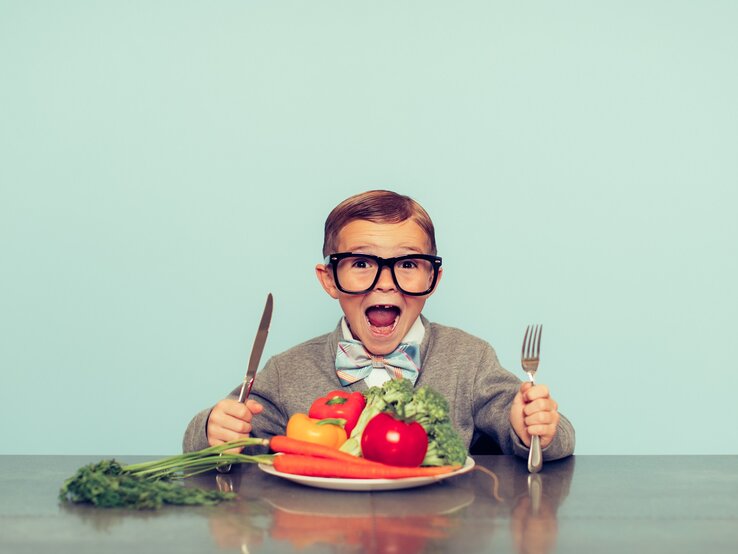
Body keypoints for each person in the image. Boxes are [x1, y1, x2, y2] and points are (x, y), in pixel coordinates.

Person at [183, 190, 575, 461]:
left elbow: (552, 438)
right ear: (329, 279)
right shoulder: (288, 371)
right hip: (323, 532)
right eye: (361, 264)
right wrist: (213, 431)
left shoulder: (468, 359)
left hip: (437, 532)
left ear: (433, 279)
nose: (385, 282)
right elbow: (219, 434)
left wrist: (533, 426)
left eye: (407, 265)